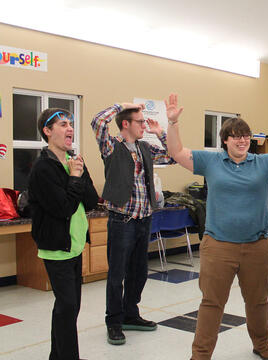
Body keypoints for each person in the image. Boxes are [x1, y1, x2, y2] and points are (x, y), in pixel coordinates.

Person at [166, 95, 268, 360]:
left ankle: (262, 344)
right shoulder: (211, 161)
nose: (242, 140)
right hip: (218, 246)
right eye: (235, 136)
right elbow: (177, 152)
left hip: (257, 245)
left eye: (245, 136)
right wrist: (173, 123)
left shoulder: (263, 163)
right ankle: (200, 354)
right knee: (212, 303)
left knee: (258, 302)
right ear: (225, 140)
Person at [91, 97, 177, 345]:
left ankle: (131, 314)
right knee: (117, 274)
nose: (144, 125)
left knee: (139, 272)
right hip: (122, 221)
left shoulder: (145, 148)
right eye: (140, 121)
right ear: (125, 123)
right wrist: (121, 106)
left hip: (143, 220)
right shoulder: (111, 146)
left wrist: (160, 133)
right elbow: (97, 122)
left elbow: (171, 157)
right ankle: (114, 322)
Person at [28, 108, 99, 360]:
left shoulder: (73, 161)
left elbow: (90, 201)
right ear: (47, 132)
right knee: (67, 306)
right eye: (62, 125)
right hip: (56, 247)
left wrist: (79, 173)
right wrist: (75, 177)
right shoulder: (43, 168)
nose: (70, 129)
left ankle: (56, 356)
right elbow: (63, 208)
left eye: (70, 124)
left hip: (75, 245)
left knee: (69, 307)